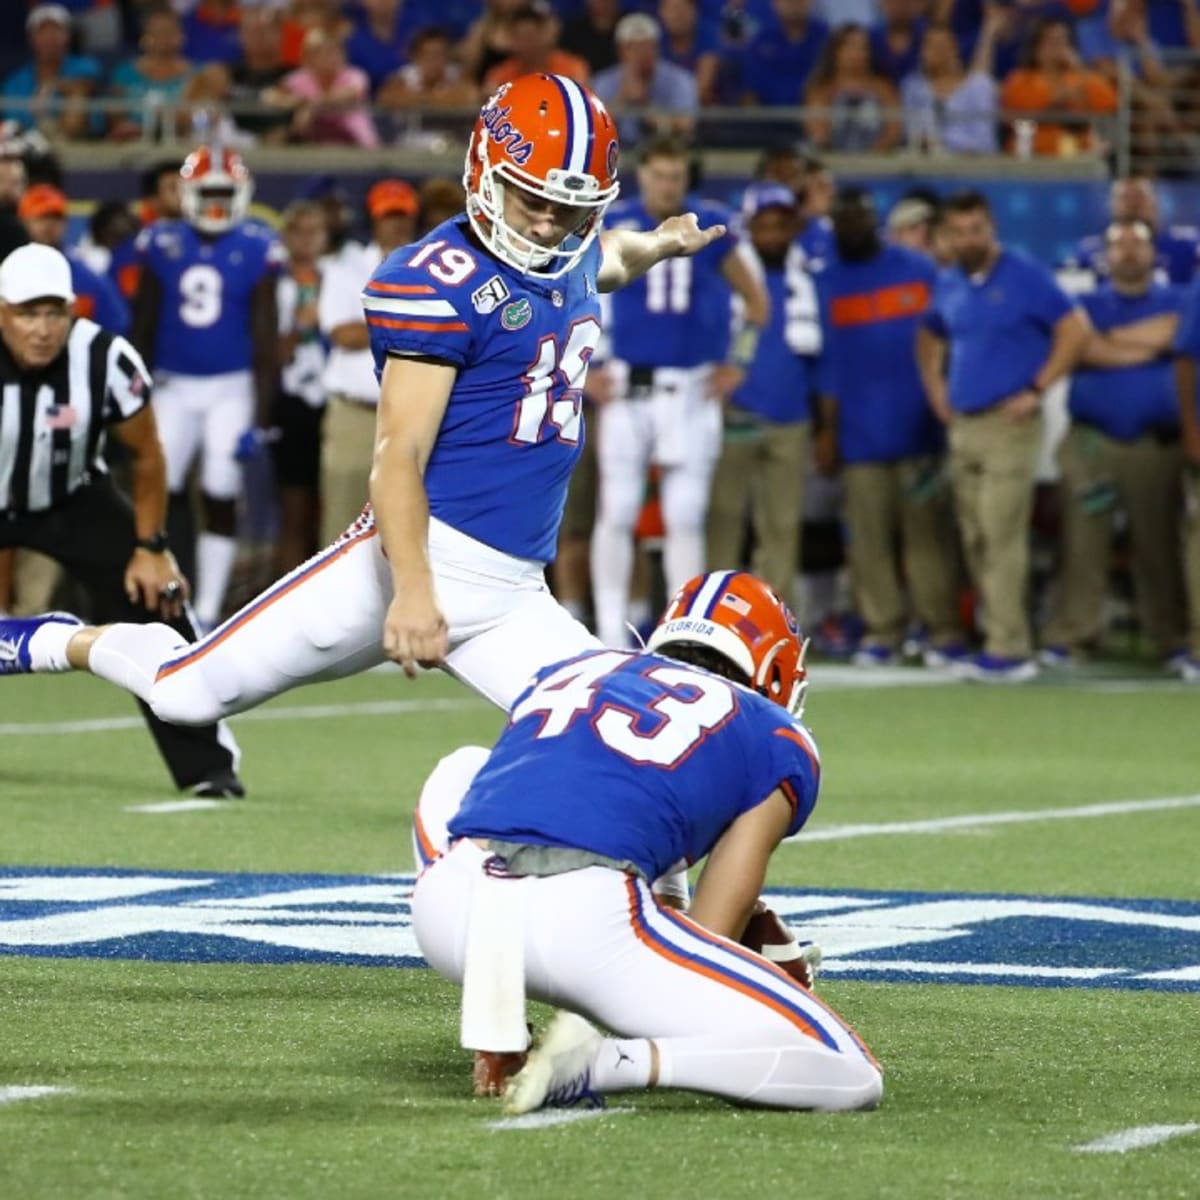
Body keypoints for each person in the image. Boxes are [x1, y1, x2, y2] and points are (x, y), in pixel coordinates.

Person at [0, 76, 727, 847]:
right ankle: (50, 640)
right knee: (185, 693)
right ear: (485, 172)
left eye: (570, 205)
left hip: (515, 592)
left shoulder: (569, 249)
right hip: (411, 559)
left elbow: (607, 257)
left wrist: (661, 243)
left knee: (631, 752)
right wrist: (412, 591)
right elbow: (398, 457)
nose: (550, 223)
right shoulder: (438, 282)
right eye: (532, 200)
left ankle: (694, 923)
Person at [410, 569, 882, 1115]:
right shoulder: (776, 734)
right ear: (776, 668)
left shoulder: (580, 667)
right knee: (852, 1073)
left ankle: (496, 1031)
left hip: (452, 914)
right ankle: (605, 1065)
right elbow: (710, 931)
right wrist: (765, 966)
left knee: (462, 766)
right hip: (583, 924)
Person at [0, 243, 243, 798]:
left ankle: (206, 764)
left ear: (72, 310)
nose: (41, 329)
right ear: (0, 312)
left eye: (53, 313)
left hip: (72, 500)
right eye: (26, 314)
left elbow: (149, 454)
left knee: (157, 600)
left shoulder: (104, 357)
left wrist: (152, 547)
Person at [591, 134, 769, 649]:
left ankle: (678, 636)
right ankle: (609, 636)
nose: (667, 186)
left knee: (685, 516)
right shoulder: (614, 220)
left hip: (691, 388)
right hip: (626, 385)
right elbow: (571, 294)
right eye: (659, 175)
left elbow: (756, 302)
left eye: (675, 176)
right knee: (618, 509)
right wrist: (584, 370)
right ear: (641, 175)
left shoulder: (712, 226)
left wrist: (740, 362)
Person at [917, 190, 1089, 682]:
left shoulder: (1026, 275)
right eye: (960, 231)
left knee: (1000, 533)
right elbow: (929, 333)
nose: (969, 239)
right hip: (964, 425)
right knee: (974, 536)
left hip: (1009, 424)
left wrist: (1037, 388)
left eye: (977, 229)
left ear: (991, 228)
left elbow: (1075, 330)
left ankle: (1009, 647)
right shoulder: (950, 281)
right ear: (947, 236)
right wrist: (936, 389)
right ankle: (997, 633)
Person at [130, 146, 284, 632]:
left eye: (224, 194)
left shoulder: (259, 245)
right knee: (162, 486)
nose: (216, 205)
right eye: (208, 194)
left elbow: (265, 337)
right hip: (173, 384)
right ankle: (162, 593)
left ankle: (211, 609)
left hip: (230, 387)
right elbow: (143, 326)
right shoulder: (159, 241)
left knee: (220, 488)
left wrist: (260, 418)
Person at [816, 187, 962, 667]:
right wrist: (829, 432)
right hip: (859, 436)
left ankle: (939, 629)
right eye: (843, 221)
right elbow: (829, 369)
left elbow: (947, 342)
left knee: (927, 539)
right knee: (870, 542)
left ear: (873, 221)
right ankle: (883, 631)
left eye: (859, 217)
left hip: (919, 429)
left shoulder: (919, 271)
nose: (852, 227)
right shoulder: (828, 282)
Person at [1041, 218, 1189, 668]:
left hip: (1156, 445)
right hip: (1091, 442)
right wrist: (1150, 346)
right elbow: (1077, 345)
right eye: (1118, 243)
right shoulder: (1082, 301)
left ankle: (1170, 638)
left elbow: (1176, 332)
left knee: (1159, 545)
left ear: (1153, 253)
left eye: (1137, 243)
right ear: (1105, 255)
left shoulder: (1179, 298)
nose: (1127, 251)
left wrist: (1108, 342)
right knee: (1083, 543)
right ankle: (1074, 633)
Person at [705, 183, 819, 612]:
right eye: (763, 225)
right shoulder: (724, 274)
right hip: (735, 414)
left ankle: (773, 623)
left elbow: (818, 353)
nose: (772, 234)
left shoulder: (808, 274)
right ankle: (714, 620)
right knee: (724, 521)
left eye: (780, 225)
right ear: (748, 227)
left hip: (791, 417)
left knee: (782, 528)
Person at [317, 177, 418, 546]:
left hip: (414, 417)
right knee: (342, 527)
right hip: (356, 414)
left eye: (403, 215)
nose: (397, 224)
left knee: (409, 529)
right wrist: (413, 323)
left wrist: (376, 324)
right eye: (388, 216)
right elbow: (343, 334)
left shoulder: (433, 268)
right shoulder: (347, 268)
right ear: (373, 220)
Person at [273, 198, 329, 576]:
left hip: (334, 402)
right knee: (294, 509)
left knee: (333, 509)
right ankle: (285, 596)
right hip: (291, 402)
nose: (307, 239)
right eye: (298, 230)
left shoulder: (345, 276)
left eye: (315, 231)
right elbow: (267, 354)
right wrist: (299, 326)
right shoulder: (271, 283)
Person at [18, 184, 130, 334]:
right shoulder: (10, 270)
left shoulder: (87, 276)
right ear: (23, 222)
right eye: (41, 217)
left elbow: (116, 325)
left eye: (56, 217)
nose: (49, 224)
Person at [999, 16, 1117, 157]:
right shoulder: (1021, 78)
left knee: (1100, 145)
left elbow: (1108, 101)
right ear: (1036, 47)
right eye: (1051, 42)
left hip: (1076, 154)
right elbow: (1020, 106)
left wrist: (1079, 68)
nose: (1058, 48)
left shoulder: (1079, 77)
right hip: (1033, 154)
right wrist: (1057, 97)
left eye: (1062, 42)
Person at [1059, 175, 1200, 293]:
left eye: (1139, 197)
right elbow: (1071, 300)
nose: (1133, 205)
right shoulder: (1089, 250)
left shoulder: (1187, 244)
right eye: (1125, 198)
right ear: (1112, 205)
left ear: (1155, 203)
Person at [591, 13, 699, 145]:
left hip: (665, 151)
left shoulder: (680, 79)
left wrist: (643, 105)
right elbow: (595, 128)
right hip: (617, 152)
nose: (641, 53)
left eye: (647, 46)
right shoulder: (604, 81)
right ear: (620, 51)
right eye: (632, 47)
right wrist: (623, 98)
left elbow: (686, 125)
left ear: (657, 48)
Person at [900, 16, 1001, 155]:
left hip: (974, 168)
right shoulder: (912, 87)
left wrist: (943, 143)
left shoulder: (979, 86)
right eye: (930, 46)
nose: (937, 53)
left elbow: (985, 141)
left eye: (942, 47)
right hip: (927, 167)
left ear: (955, 50)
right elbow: (912, 135)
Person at [2, 4, 102, 141]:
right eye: (42, 32)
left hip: (79, 141)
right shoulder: (15, 81)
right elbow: (13, 121)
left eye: (56, 31)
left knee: (76, 94)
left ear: (68, 36)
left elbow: (84, 85)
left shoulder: (85, 65)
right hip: (29, 142)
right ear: (31, 38)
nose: (50, 38)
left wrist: (49, 86)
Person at [804, 23, 902, 153]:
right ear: (836, 51)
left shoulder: (883, 88)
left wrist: (872, 156)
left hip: (876, 163)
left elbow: (894, 129)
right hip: (834, 161)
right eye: (850, 46)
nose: (857, 53)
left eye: (863, 47)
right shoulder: (821, 88)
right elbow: (817, 130)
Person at [482, 1, 590, 93]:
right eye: (518, 38)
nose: (523, 45)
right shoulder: (500, 76)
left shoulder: (572, 69)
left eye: (529, 37)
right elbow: (490, 95)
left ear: (545, 35)